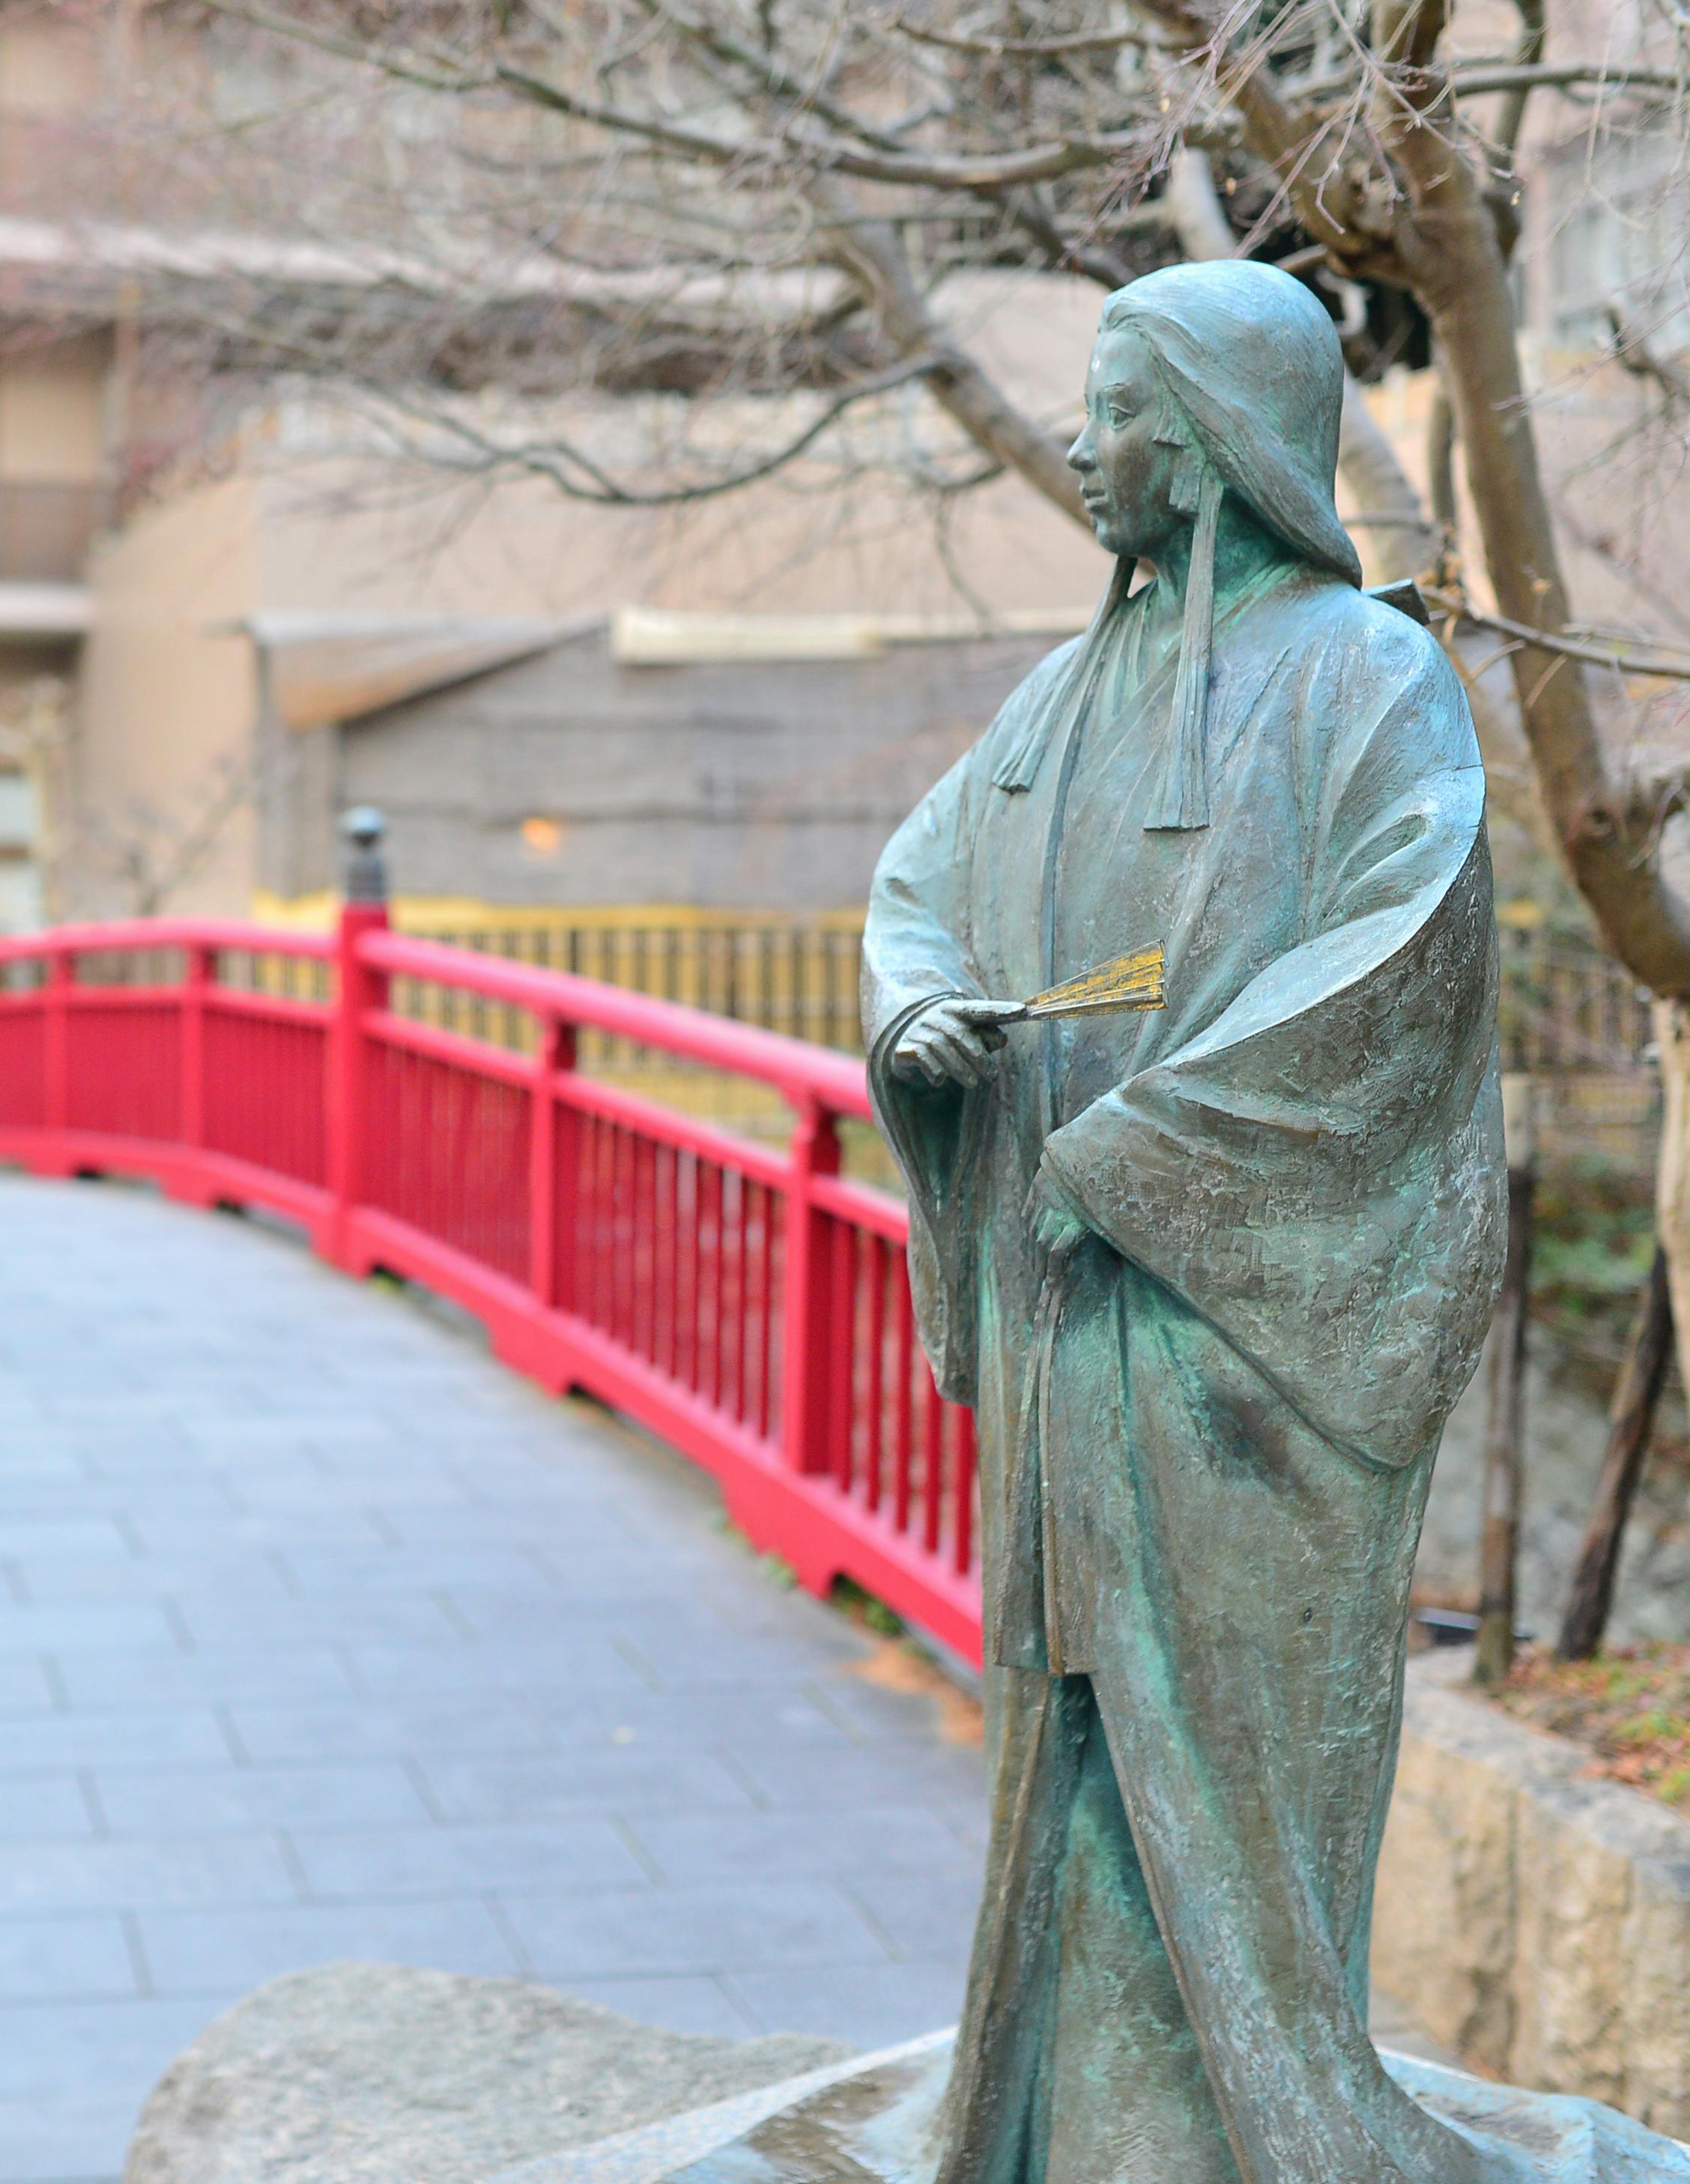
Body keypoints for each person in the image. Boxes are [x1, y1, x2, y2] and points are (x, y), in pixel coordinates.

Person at [677, 258, 1514, 2182]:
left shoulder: (1368, 680)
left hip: (1240, 1335)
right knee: (1063, 1742)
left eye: (1122, 407)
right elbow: (921, 883)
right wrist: (917, 1014)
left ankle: (1261, 2129)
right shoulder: (1062, 697)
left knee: (1228, 1759)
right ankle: (1072, 2119)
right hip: (1070, 1318)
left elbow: (1403, 960)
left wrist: (1141, 1152)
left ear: (1216, 447)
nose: (1084, 442)